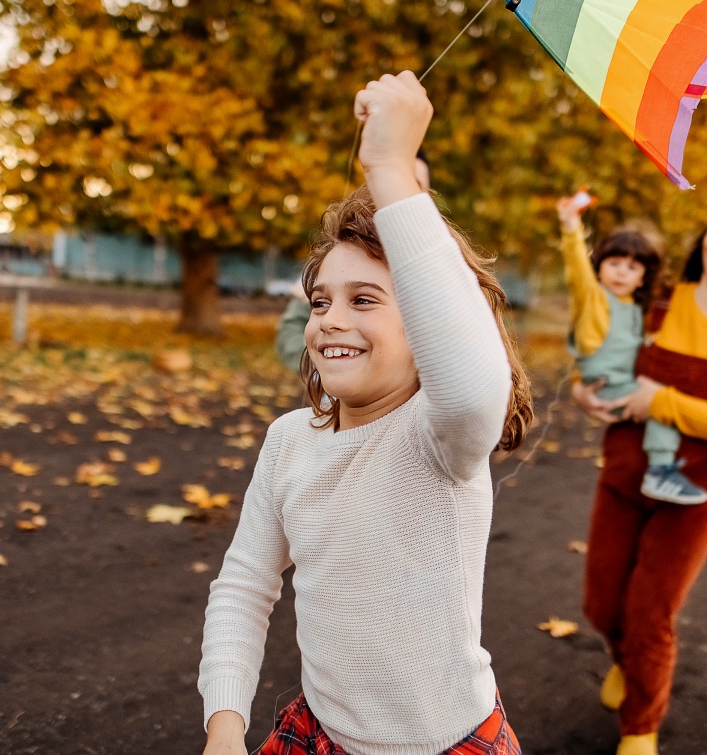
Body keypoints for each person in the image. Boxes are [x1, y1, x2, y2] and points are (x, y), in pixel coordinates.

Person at [199, 73, 533, 755]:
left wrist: (388, 170)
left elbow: (474, 385)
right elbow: (245, 583)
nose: (330, 321)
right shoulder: (290, 440)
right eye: (321, 301)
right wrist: (225, 728)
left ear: (425, 331)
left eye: (365, 300)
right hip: (319, 733)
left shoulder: (438, 439)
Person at [572, 190, 707, 755]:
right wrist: (582, 390)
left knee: (649, 615)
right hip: (622, 474)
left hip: (693, 495)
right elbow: (607, 353)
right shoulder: (661, 302)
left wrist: (661, 401)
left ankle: (640, 727)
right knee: (602, 605)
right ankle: (624, 662)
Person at [556, 198, 707, 504]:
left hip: (617, 385)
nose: (621, 272)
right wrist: (571, 225)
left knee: (661, 397)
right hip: (609, 391)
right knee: (660, 404)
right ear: (599, 267)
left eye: (631, 266)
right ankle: (661, 469)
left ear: (643, 276)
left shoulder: (636, 307)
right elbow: (577, 267)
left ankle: (661, 464)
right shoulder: (594, 301)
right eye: (614, 263)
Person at [274, 151, 432, 370]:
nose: (395, 193)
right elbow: (292, 346)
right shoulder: (337, 252)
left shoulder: (444, 267)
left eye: (363, 300)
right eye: (319, 303)